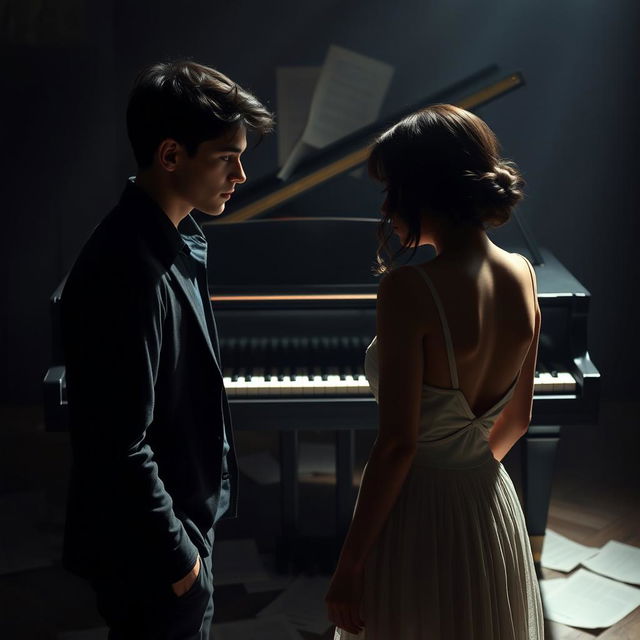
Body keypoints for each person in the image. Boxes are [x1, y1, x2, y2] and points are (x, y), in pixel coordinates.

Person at [60, 60, 273, 639]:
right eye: (227, 157)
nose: (242, 176)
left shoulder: (171, 240)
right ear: (171, 155)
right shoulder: (129, 269)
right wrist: (180, 557)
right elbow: (118, 443)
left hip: (176, 530)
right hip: (154, 550)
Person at [325, 104, 544, 639]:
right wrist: (463, 471)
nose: (385, 204)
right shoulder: (523, 274)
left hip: (416, 509)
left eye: (392, 186)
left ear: (421, 189)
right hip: (489, 504)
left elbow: (398, 444)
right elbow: (517, 420)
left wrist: (350, 566)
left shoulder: (407, 289)